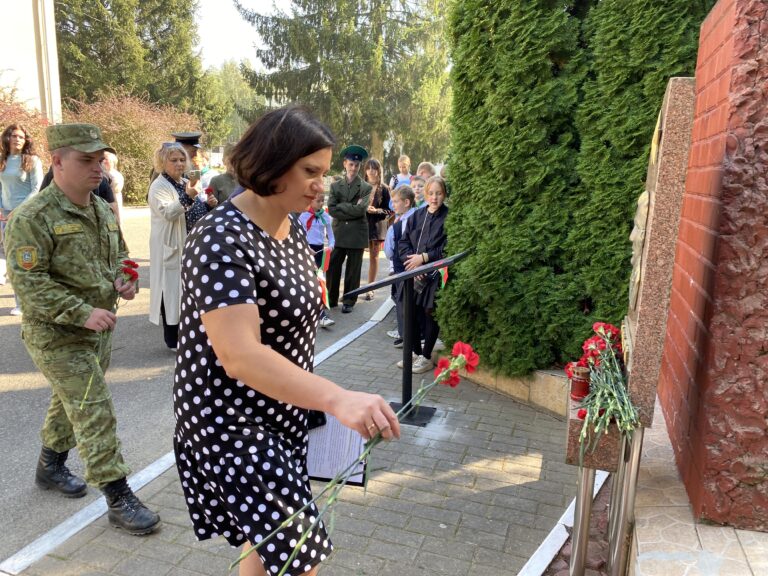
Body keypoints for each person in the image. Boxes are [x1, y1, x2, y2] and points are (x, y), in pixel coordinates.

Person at [173, 106, 400, 576]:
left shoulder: (291, 225)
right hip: (230, 422)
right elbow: (240, 355)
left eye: (325, 171)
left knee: (266, 547)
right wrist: (337, 399)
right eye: (310, 171)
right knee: (300, 555)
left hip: (280, 411)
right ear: (272, 163)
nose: (322, 183)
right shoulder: (220, 237)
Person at [4, 123, 160, 534]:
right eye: (86, 160)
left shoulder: (100, 209)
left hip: (99, 331)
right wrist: (80, 311)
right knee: (93, 407)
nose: (99, 169)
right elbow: (29, 283)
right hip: (56, 335)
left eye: (100, 160)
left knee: (71, 400)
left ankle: (49, 466)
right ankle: (117, 494)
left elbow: (121, 255)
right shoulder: (31, 217)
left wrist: (126, 280)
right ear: (57, 161)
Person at [148, 142, 216, 350]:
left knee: (188, 291)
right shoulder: (159, 186)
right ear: (162, 162)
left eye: (182, 160)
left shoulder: (186, 182)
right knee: (170, 292)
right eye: (173, 160)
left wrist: (208, 205)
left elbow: (195, 212)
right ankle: (173, 340)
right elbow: (168, 213)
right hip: (171, 244)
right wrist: (189, 196)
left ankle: (189, 332)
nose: (179, 164)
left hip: (190, 244)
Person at [397, 176, 449, 374]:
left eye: (439, 193)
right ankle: (415, 353)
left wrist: (424, 258)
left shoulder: (448, 217)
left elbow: (446, 248)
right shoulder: (416, 216)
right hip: (413, 272)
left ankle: (426, 356)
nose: (434, 198)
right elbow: (403, 243)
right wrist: (412, 264)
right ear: (425, 194)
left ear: (444, 194)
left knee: (429, 314)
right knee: (409, 313)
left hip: (433, 273)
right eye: (431, 193)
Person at [0, 123, 43, 314]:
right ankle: (19, 302)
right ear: (7, 138)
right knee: (11, 260)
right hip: (5, 217)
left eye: (21, 137)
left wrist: (16, 210)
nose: (17, 139)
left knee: (26, 258)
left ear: (26, 140)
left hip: (26, 215)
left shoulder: (32, 160)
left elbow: (37, 189)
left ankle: (27, 302)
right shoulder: (2, 161)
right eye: (14, 136)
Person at [326, 144, 372, 313]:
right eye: (351, 164)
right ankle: (331, 299)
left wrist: (342, 207)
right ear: (345, 164)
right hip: (338, 233)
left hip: (356, 234)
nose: (354, 168)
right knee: (332, 267)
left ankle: (349, 300)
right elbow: (331, 209)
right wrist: (351, 207)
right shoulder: (335, 186)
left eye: (357, 165)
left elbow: (361, 210)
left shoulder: (366, 187)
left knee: (354, 269)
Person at [383, 184, 416, 347]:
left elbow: (388, 251)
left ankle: (406, 336)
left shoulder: (399, 225)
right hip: (416, 265)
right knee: (411, 302)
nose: (393, 205)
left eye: (396, 202)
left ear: (407, 202)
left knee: (402, 302)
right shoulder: (419, 216)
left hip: (401, 267)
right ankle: (410, 334)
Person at [299, 191, 335, 328]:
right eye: (318, 201)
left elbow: (331, 235)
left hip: (320, 252)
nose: (321, 203)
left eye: (322, 201)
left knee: (320, 282)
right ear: (310, 200)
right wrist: (305, 248)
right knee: (308, 283)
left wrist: (331, 245)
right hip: (307, 252)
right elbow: (299, 236)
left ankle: (322, 315)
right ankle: (309, 312)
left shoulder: (325, 216)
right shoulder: (303, 216)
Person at [362, 158, 392, 301]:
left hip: (376, 226)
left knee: (374, 258)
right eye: (369, 168)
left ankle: (370, 289)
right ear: (365, 170)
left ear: (378, 170)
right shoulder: (360, 186)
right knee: (355, 258)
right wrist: (363, 208)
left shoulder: (385, 188)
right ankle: (352, 289)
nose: (371, 171)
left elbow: (390, 210)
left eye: (374, 168)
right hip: (361, 226)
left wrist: (377, 210)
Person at [102, 151, 124, 222]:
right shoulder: (102, 173)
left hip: (114, 199)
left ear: (112, 162)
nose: (104, 161)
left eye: (106, 159)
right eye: (103, 159)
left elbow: (116, 189)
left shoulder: (116, 175)